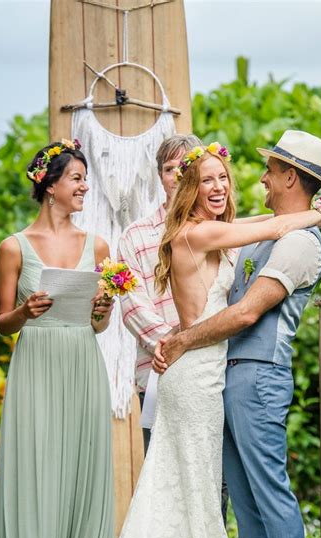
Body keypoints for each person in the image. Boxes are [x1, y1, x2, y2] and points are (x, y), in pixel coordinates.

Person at [0, 139, 321, 538]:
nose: (220, 186)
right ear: (189, 188)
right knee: (197, 482)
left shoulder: (204, 232)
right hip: (196, 370)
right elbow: (273, 227)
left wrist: (318, 215)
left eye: (225, 178)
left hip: (204, 367)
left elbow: (262, 230)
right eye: (207, 179)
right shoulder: (197, 235)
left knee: (194, 481)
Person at [154, 131, 321, 538]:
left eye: (270, 169)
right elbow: (257, 225)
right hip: (226, 374)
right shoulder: (276, 230)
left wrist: (183, 339)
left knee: (268, 487)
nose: (260, 177)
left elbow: (245, 314)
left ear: (290, 177)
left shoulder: (301, 244)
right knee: (242, 492)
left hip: (258, 375)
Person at [0, 140, 115, 538]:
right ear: (50, 186)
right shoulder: (13, 247)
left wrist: (103, 308)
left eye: (84, 178)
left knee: (82, 460)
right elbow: (3, 324)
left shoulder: (97, 246)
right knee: (37, 461)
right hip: (37, 360)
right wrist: (26, 309)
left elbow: (98, 323)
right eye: (76, 178)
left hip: (82, 358)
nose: (85, 186)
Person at [118, 134, 203, 454]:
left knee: (213, 479)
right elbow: (132, 304)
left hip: (210, 368)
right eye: (170, 169)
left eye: (186, 166)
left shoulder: (221, 227)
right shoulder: (135, 235)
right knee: (160, 476)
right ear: (159, 176)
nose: (178, 176)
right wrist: (170, 345)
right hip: (157, 370)